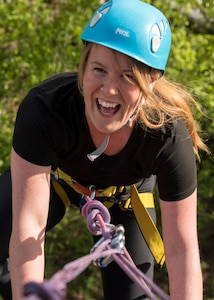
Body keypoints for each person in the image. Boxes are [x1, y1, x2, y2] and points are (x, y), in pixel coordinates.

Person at [0, 0, 209, 299]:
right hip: (56, 182)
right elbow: (28, 227)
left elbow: (181, 250)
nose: (109, 90)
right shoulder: (46, 109)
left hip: (127, 199)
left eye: (127, 76)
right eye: (99, 69)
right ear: (84, 65)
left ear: (151, 81)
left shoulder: (167, 135)